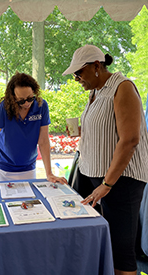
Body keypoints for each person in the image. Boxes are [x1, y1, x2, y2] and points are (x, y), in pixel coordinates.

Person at [63, 44, 148, 275]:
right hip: (95, 176)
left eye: (79, 73)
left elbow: (130, 139)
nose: (76, 78)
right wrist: (82, 130)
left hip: (120, 181)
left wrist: (107, 184)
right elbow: (107, 129)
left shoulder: (123, 88)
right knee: (99, 240)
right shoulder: (96, 92)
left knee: (121, 251)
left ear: (97, 66)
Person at [0, 72, 67, 186]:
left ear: (35, 92)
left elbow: (43, 141)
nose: (26, 103)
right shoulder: (5, 108)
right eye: (21, 100)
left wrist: (49, 173)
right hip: (3, 168)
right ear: (13, 97)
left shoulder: (41, 106)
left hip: (28, 167)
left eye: (30, 98)